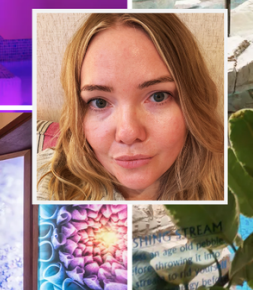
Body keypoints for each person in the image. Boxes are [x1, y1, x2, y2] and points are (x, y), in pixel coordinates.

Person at [36, 13, 223, 201]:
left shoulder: (237, 187)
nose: (128, 134)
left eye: (158, 97)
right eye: (99, 102)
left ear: (192, 103)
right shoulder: (36, 181)